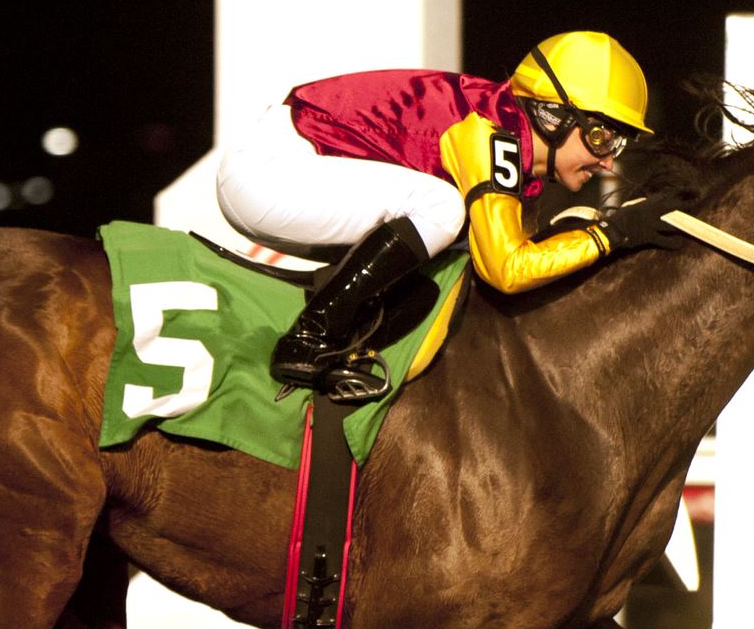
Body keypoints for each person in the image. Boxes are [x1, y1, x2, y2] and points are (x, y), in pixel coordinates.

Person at [216, 31, 688, 402]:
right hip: (270, 171)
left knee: (450, 249)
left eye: (618, 143)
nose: (607, 161)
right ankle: (309, 339)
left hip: (287, 173)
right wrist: (612, 233)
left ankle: (351, 341)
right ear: (554, 115)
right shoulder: (491, 134)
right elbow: (508, 270)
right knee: (442, 208)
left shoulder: (512, 144)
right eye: (602, 138)